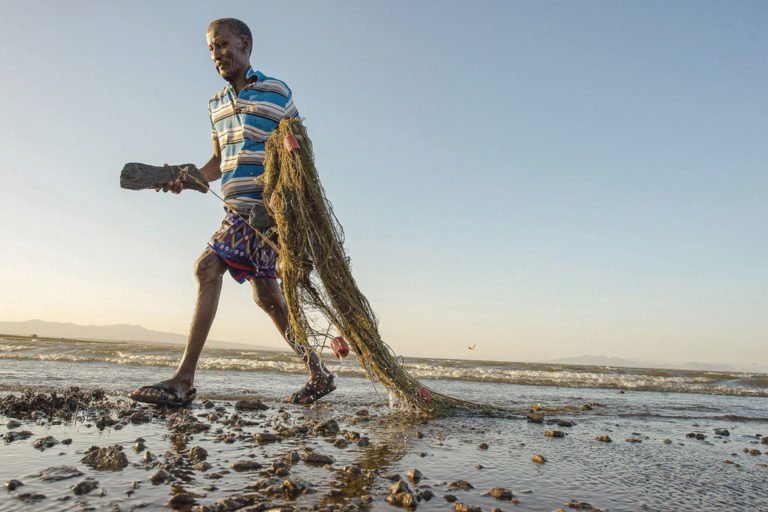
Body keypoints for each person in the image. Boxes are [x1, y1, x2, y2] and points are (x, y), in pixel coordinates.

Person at [129, 17, 335, 406]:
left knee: (206, 269)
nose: (217, 54)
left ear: (245, 44)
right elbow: (216, 165)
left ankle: (183, 380)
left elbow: (298, 155)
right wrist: (181, 177)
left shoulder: (276, 92)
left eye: (222, 45)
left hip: (268, 212)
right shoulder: (215, 105)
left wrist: (284, 205)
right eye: (211, 49)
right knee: (268, 298)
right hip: (235, 210)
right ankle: (318, 373)